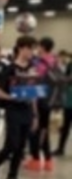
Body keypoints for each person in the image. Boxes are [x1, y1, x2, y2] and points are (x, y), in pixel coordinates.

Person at [0, 36, 39, 179]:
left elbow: (33, 94)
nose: (32, 52)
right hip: (13, 110)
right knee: (12, 144)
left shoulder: (32, 69)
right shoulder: (9, 69)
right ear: (22, 48)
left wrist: (35, 115)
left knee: (21, 147)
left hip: (27, 111)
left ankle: (12, 177)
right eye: (30, 49)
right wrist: (14, 97)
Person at [25, 37, 57, 171]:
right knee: (44, 130)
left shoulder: (38, 62)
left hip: (37, 99)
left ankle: (35, 160)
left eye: (38, 46)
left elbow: (32, 81)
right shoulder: (54, 60)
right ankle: (48, 160)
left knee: (34, 129)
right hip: (49, 100)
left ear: (42, 47)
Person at [53, 50, 72, 156]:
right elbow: (65, 80)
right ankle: (60, 148)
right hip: (69, 101)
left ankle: (60, 148)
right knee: (65, 126)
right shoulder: (69, 65)